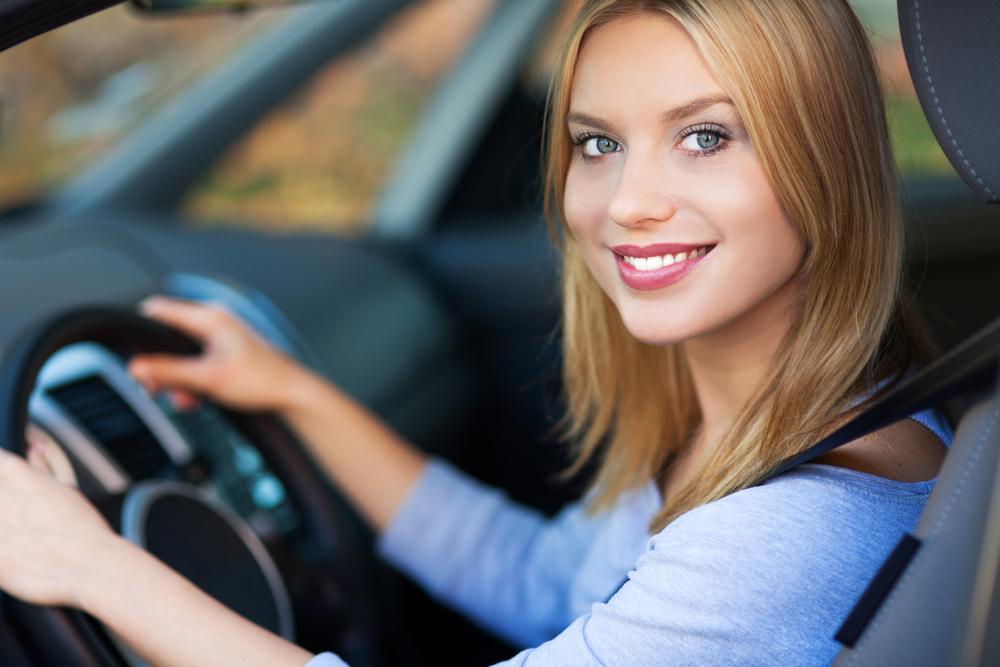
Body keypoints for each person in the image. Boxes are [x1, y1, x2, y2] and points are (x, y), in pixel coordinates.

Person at [0, 0, 953, 664]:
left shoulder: (793, 525)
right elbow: (540, 580)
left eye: (705, 136)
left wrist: (91, 566)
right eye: (598, 143)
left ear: (826, 160)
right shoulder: (774, 417)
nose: (627, 202)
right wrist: (294, 392)